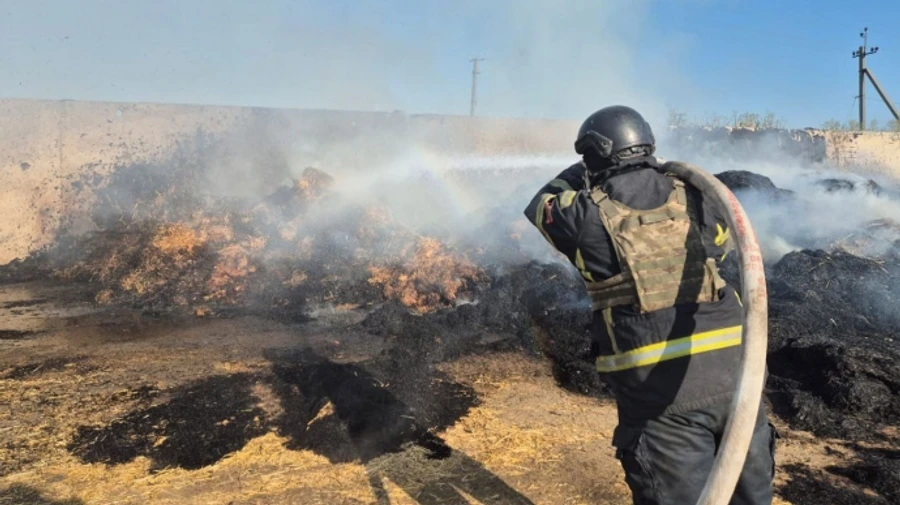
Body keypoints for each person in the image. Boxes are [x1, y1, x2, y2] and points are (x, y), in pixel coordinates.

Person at [522, 105, 776, 505]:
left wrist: (582, 172)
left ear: (593, 155)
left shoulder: (585, 215)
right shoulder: (700, 198)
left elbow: (541, 205)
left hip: (662, 402)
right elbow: (724, 248)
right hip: (738, 380)